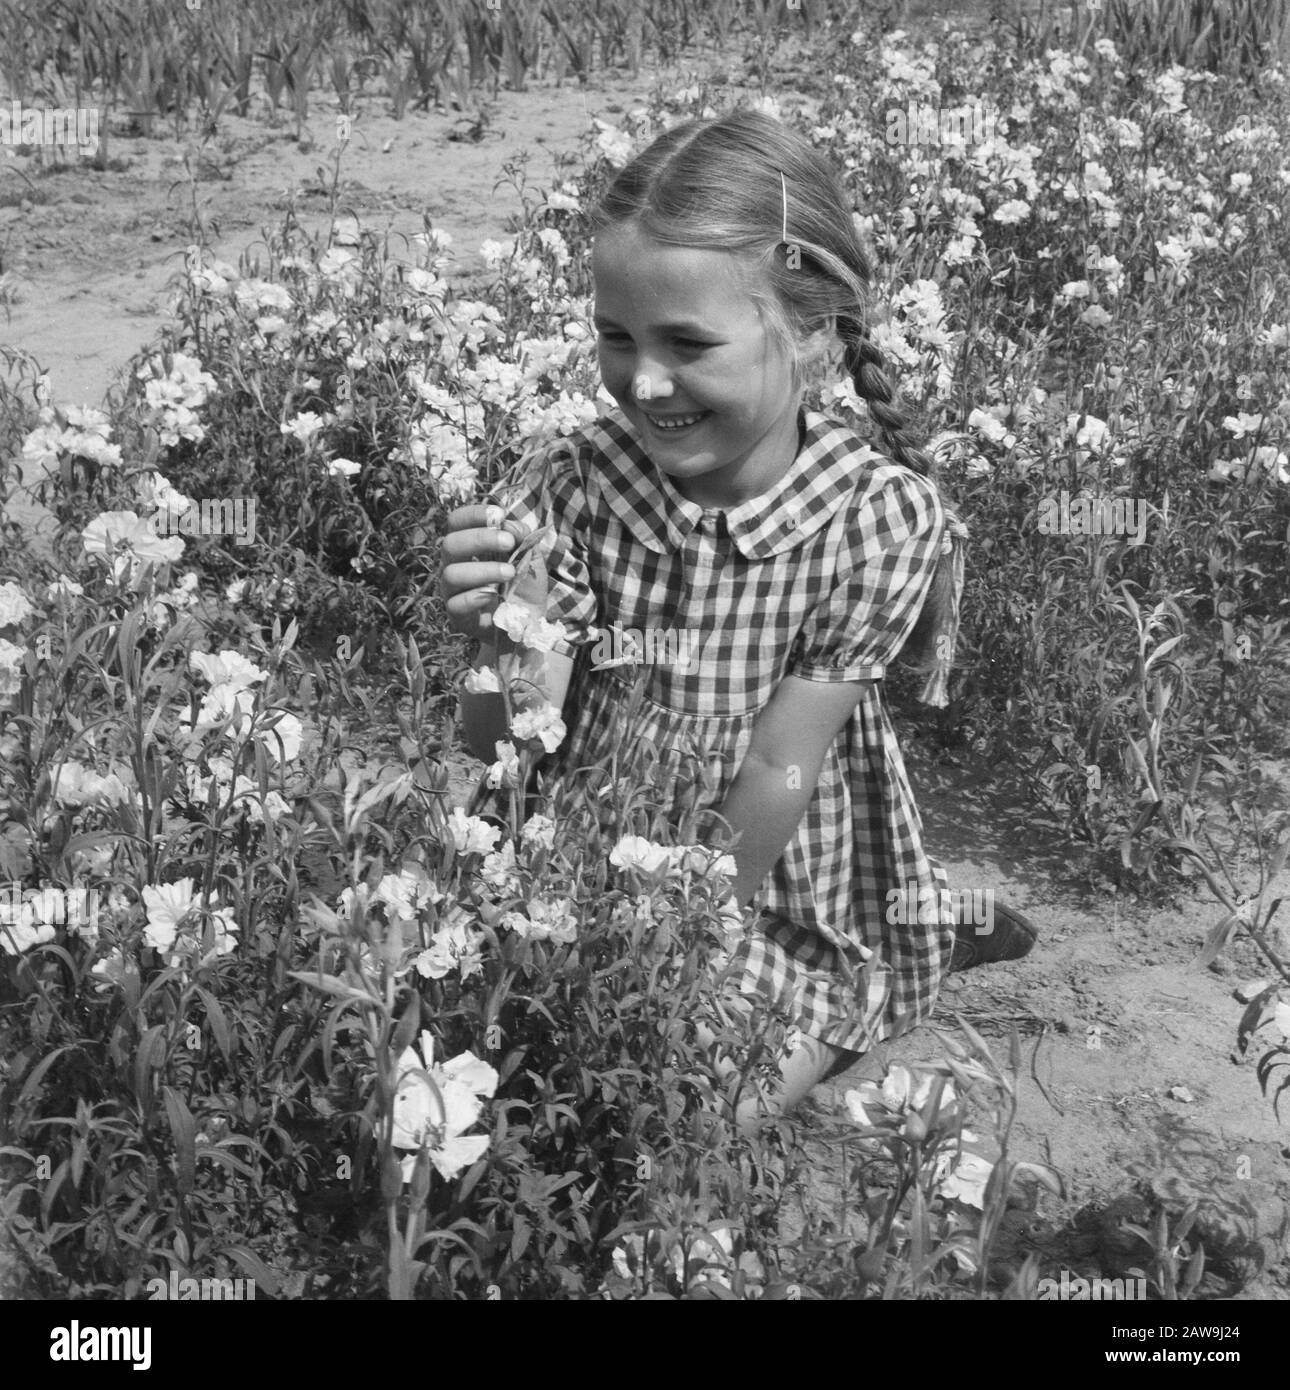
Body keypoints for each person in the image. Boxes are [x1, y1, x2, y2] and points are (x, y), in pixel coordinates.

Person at [440, 109, 1035, 1135]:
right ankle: (931, 921)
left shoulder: (874, 517)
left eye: (689, 342)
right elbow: (506, 754)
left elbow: (777, 769)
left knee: (680, 1113)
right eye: (616, 338)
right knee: (465, 1047)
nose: (646, 381)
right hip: (580, 851)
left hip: (759, 873)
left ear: (812, 338)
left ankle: (899, 945)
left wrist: (675, 946)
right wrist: (502, 641)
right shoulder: (581, 479)